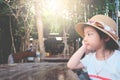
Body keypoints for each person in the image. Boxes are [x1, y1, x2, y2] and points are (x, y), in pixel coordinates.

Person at [67, 14, 120, 80]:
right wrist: (83, 47)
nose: (85, 39)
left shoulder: (117, 59)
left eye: (89, 34)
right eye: (84, 35)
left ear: (106, 37)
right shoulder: (90, 58)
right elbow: (71, 65)